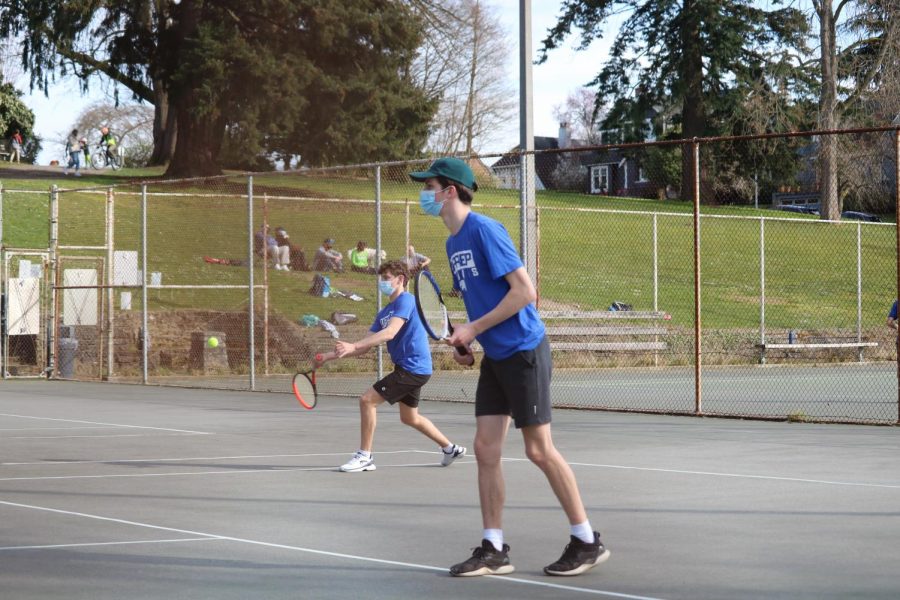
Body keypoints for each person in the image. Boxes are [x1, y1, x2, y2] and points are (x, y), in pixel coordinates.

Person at [409, 157, 609, 578]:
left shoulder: (485, 230)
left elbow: (525, 292)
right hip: (496, 356)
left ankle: (587, 540)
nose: (423, 193)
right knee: (485, 450)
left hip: (523, 350)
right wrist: (468, 342)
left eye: (429, 185)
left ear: (450, 191)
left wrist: (474, 328)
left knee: (539, 450)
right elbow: (483, 301)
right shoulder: (452, 243)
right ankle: (494, 549)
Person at [314, 260, 467, 472]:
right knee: (410, 417)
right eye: (381, 278)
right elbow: (363, 347)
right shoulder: (384, 313)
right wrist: (328, 356)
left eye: (386, 278)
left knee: (367, 401)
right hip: (410, 369)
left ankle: (364, 456)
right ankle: (450, 449)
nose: (382, 282)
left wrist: (354, 344)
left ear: (400, 280)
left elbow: (390, 333)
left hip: (413, 367)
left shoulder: (407, 301)